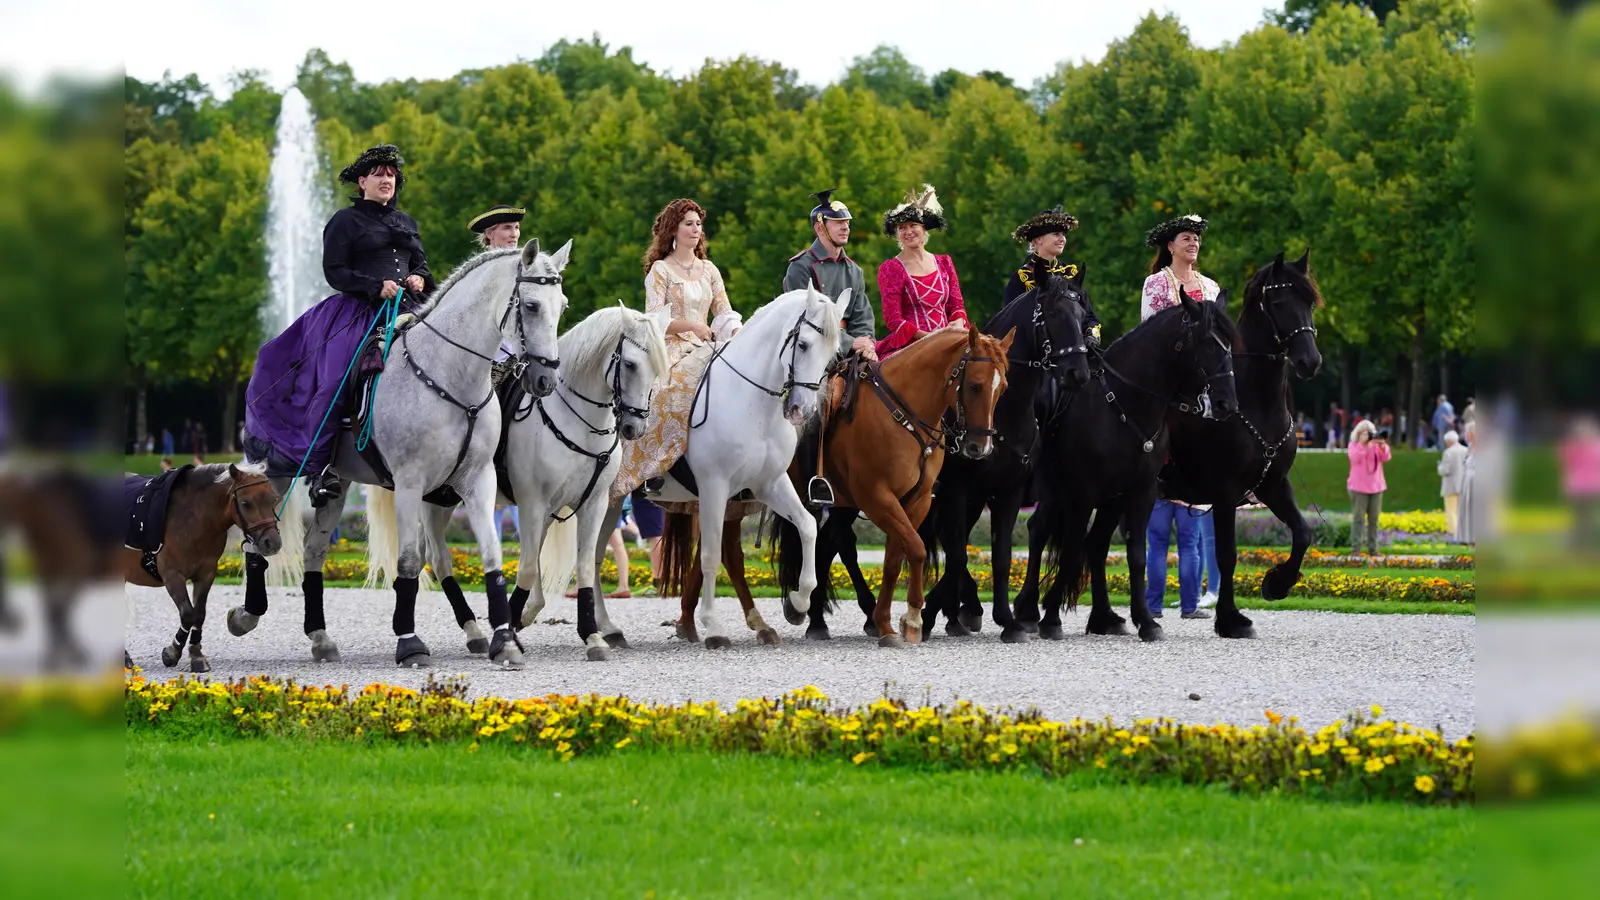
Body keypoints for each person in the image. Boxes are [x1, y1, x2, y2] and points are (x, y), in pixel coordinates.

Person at [243, 144, 435, 507]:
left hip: (410, 307)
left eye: (392, 176)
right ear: (362, 181)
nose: (387, 180)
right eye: (379, 174)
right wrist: (375, 286)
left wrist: (419, 279)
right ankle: (321, 471)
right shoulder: (345, 221)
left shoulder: (407, 223)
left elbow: (422, 265)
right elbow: (334, 271)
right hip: (359, 311)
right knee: (334, 379)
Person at [610, 199, 759, 521]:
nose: (696, 229)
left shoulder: (709, 270)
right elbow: (653, 319)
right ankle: (656, 469)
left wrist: (736, 330)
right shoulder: (660, 271)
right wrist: (691, 325)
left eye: (698, 224)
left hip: (709, 344)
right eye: (689, 223)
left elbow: (723, 310)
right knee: (672, 390)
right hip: (671, 347)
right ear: (673, 229)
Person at [468, 203, 527, 535]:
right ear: (489, 235)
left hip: (520, 359)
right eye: (506, 228)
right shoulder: (479, 270)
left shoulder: (525, 266)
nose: (513, 234)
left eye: (516, 229)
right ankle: (467, 469)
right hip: (487, 360)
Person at [875, 184, 968, 359]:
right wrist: (932, 338)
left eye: (913, 225)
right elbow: (893, 319)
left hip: (950, 341)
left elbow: (956, 305)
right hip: (913, 347)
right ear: (896, 233)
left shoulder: (944, 262)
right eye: (901, 228)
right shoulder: (891, 268)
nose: (908, 231)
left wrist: (957, 326)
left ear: (924, 228)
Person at [783, 188, 877, 361]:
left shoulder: (854, 270)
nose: (845, 227)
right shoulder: (801, 267)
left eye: (847, 222)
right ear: (820, 228)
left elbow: (863, 318)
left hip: (852, 353)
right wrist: (850, 343)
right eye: (838, 222)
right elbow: (807, 323)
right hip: (811, 353)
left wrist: (866, 344)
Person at [1003, 205, 1101, 347]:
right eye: (1056, 234)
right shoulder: (1021, 278)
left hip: (1073, 353)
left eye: (1064, 235)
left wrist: (1091, 335)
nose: (1062, 239)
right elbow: (1009, 324)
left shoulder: (1071, 275)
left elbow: (1090, 317)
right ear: (1038, 240)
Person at [1141, 213, 1221, 322]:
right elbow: (1149, 330)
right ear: (1171, 246)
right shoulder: (1156, 283)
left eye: (1196, 239)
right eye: (1186, 239)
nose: (1193, 243)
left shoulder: (1211, 287)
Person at [1145, 501, 1209, 619]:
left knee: (1157, 547)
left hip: (1161, 492)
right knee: (1188, 547)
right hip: (1187, 494)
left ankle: (1153, 607)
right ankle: (1189, 607)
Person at [1346, 419, 1391, 556]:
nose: (1368, 436)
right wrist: (1362, 444)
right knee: (1358, 518)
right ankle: (1356, 549)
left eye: (1370, 433)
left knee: (1374, 519)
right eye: (1364, 433)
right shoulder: (1353, 445)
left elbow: (1386, 457)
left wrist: (1382, 445)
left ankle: (1373, 548)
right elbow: (1354, 458)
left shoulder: (1375, 445)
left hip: (1376, 487)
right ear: (1358, 434)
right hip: (1358, 487)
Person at [1559, 415, 1600, 552]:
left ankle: (1583, 542)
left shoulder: (1594, 446)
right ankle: (1577, 543)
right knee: (1579, 518)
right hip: (1579, 486)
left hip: (1589, 486)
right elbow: (1566, 464)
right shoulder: (1574, 447)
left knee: (1586, 518)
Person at [1437, 430, 1469, 536]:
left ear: (1449, 441)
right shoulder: (1466, 450)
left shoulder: (1448, 452)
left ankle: (1453, 532)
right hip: (1464, 484)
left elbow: (1445, 470)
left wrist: (1439, 467)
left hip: (1451, 485)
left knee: (1451, 510)